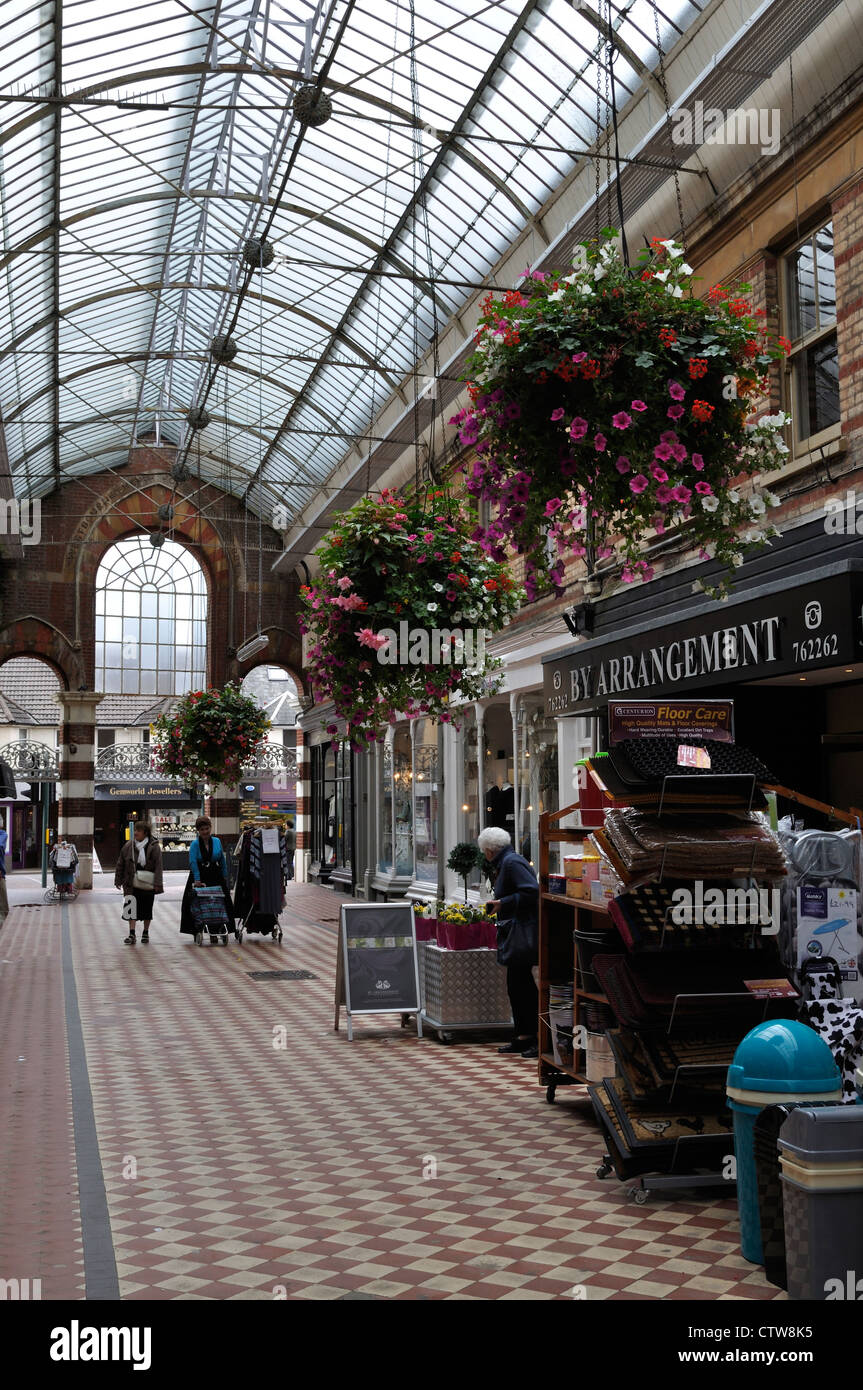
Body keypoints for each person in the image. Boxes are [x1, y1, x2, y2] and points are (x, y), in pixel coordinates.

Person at [478, 826, 540, 1058]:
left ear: (489, 851)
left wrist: (503, 903)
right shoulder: (507, 862)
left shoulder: (511, 863)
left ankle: (533, 1036)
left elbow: (531, 891)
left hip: (522, 932)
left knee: (522, 986)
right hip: (516, 930)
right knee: (517, 985)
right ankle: (524, 1035)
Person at [180, 815, 233, 938]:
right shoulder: (194, 844)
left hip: (215, 874)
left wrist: (224, 875)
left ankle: (220, 928)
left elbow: (222, 859)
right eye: (202, 829)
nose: (205, 832)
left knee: (220, 901)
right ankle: (196, 929)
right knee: (197, 903)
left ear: (210, 828)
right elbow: (193, 862)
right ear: (198, 831)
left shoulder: (217, 841)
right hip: (200, 875)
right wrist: (197, 880)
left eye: (207, 828)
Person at [115, 821, 163, 945]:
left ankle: (145, 933)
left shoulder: (154, 846)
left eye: (138, 830)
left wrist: (158, 883)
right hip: (131, 882)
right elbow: (120, 863)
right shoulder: (128, 846)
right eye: (135, 830)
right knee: (130, 908)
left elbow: (159, 866)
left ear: (145, 833)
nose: (135, 832)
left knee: (147, 908)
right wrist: (118, 880)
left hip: (147, 883)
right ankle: (131, 934)